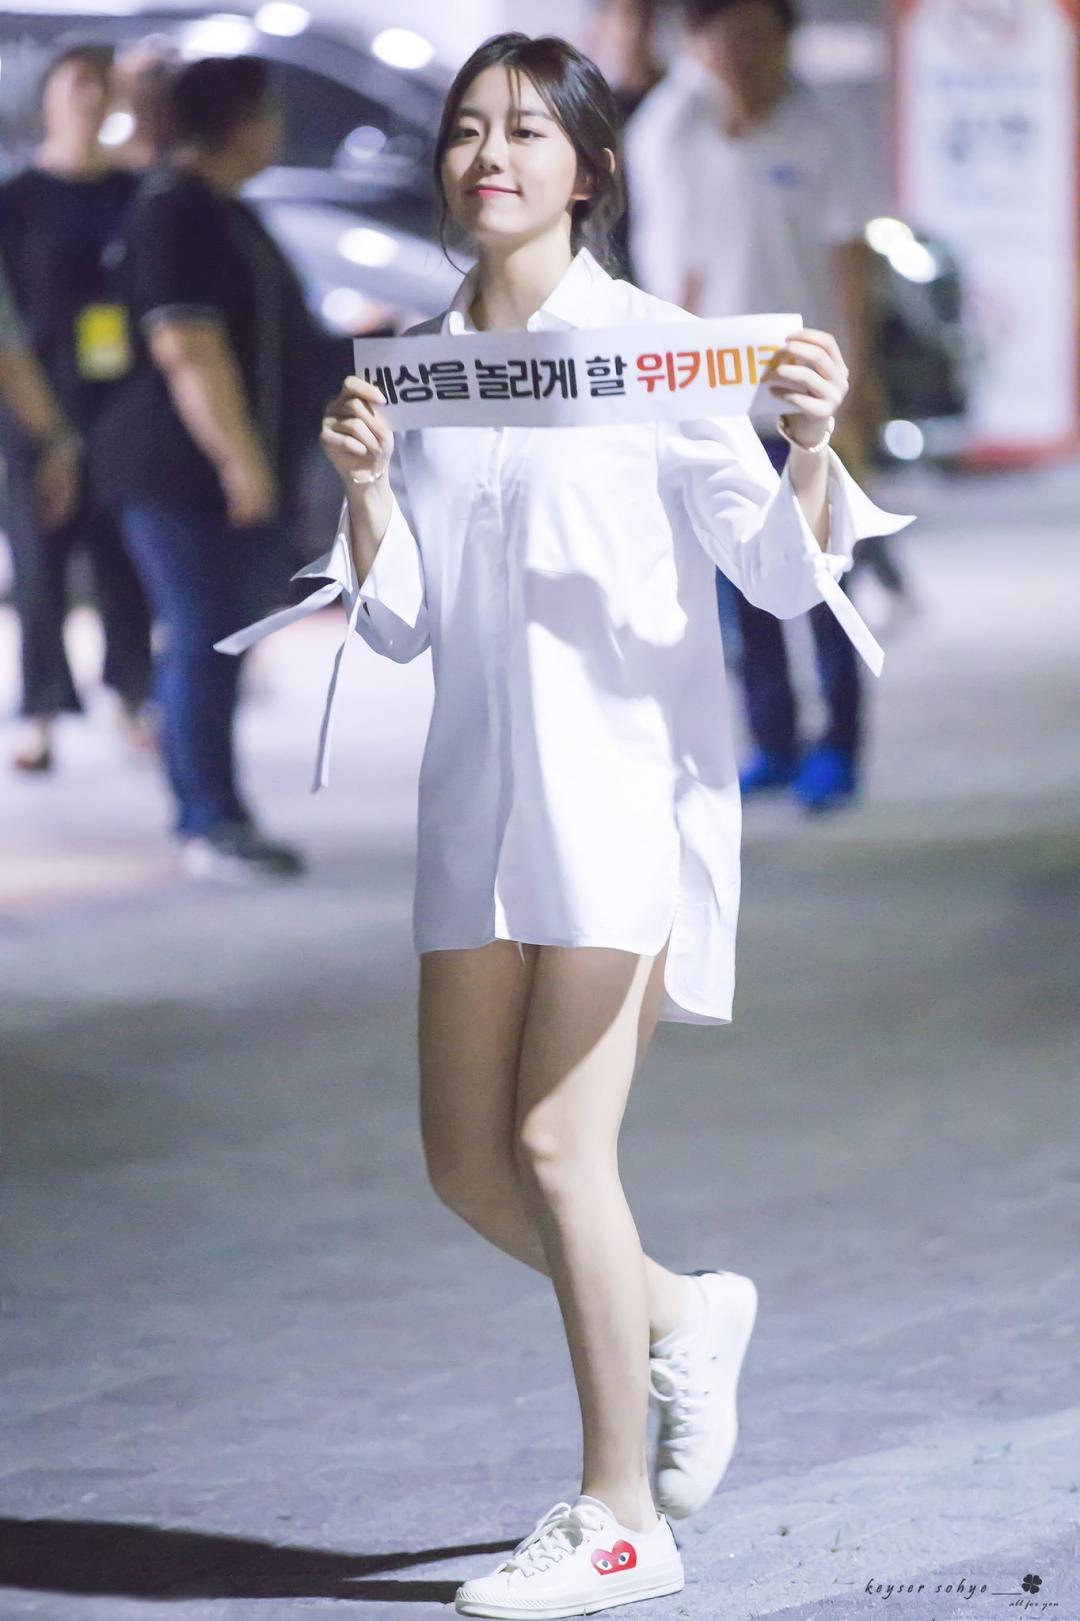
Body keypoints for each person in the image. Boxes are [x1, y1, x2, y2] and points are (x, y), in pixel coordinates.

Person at [215, 32, 912, 1616]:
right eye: (470, 129)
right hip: (476, 805)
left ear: (590, 170)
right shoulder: (417, 367)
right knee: (470, 1166)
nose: (491, 156)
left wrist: (809, 446)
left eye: (530, 131)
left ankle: (618, 1519)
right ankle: (682, 1314)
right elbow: (399, 627)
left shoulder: (663, 356)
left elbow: (779, 582)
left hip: (623, 800)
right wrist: (368, 495)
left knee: (556, 1145)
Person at [624, 0, 900, 812]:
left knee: (823, 577)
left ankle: (839, 745)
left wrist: (859, 387)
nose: (739, 52)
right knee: (741, 583)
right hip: (716, 399)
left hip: (808, 397)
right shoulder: (679, 132)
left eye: (755, 33)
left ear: (786, 38)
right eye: (722, 36)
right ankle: (772, 739)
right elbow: (674, 274)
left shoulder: (823, 133)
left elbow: (851, 263)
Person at [93, 55, 326, 882]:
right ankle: (208, 820)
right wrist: (240, 461)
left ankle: (217, 811)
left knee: (216, 637)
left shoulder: (225, 210)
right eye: (267, 113)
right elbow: (187, 345)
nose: (277, 129)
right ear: (236, 122)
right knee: (202, 637)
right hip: (176, 471)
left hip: (209, 467)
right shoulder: (176, 210)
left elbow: (278, 342)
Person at [0, 43, 154, 774]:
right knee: (41, 562)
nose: (91, 97)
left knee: (124, 557)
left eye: (103, 84)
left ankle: (131, 694)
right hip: (36, 401)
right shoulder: (17, 199)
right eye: (78, 84)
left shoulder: (135, 192)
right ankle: (41, 709)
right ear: (50, 98)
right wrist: (45, 428)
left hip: (120, 402)